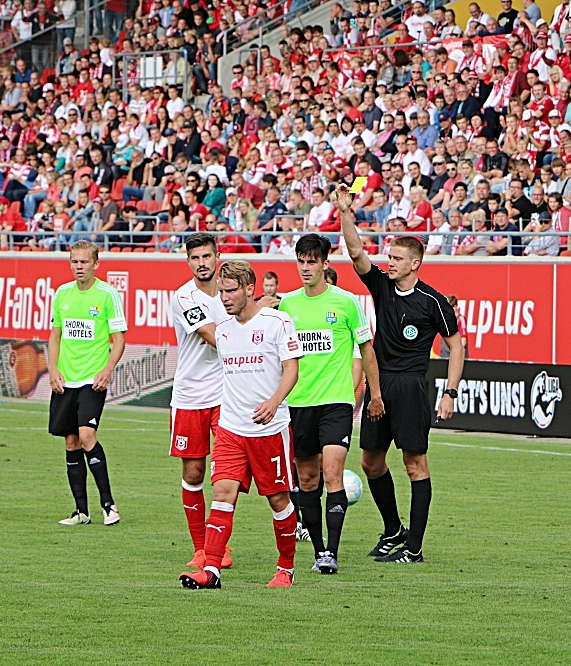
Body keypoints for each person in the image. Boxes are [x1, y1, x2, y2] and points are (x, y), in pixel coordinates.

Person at [337, 184, 464, 564]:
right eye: (389, 256)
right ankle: (394, 530)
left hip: (410, 386)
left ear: (415, 263)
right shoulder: (382, 286)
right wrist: (346, 211)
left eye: (396, 258)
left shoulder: (434, 301)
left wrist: (450, 392)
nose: (389, 262)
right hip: (379, 384)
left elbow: (455, 345)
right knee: (370, 463)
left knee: (415, 464)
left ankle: (415, 547)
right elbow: (357, 252)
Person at [179, 260, 304, 590]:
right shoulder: (221, 330)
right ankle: (211, 570)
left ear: (250, 289)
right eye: (221, 291)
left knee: (278, 500)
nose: (224, 297)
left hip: (270, 429)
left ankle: (285, 568)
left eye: (231, 290)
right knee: (221, 494)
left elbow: (291, 369)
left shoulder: (278, 322)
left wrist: (274, 401)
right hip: (231, 428)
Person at [279, 234, 384, 574]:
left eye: (312, 261)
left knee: (333, 472)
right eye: (301, 261)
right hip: (299, 403)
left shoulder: (346, 302)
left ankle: (331, 555)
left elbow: (367, 349)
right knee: (308, 480)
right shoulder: (288, 305)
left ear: (326, 263)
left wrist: (375, 394)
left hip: (336, 402)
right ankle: (318, 548)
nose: (306, 267)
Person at [48, 240, 126, 526]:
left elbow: (119, 339)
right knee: (70, 442)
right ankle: (81, 512)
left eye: (84, 262)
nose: (79, 266)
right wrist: (53, 369)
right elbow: (55, 335)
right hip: (65, 380)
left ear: (96, 263)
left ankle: (109, 505)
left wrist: (107, 369)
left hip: (93, 380)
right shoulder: (62, 294)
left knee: (86, 436)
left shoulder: (107, 294)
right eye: (74, 261)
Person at [168, 233, 233, 571]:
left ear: (217, 256)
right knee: (193, 473)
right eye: (195, 258)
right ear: (188, 261)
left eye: (207, 256)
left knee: (224, 475)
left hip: (227, 395)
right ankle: (199, 548)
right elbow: (211, 337)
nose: (202, 263)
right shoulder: (183, 298)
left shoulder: (231, 293)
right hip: (190, 396)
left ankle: (217, 547)